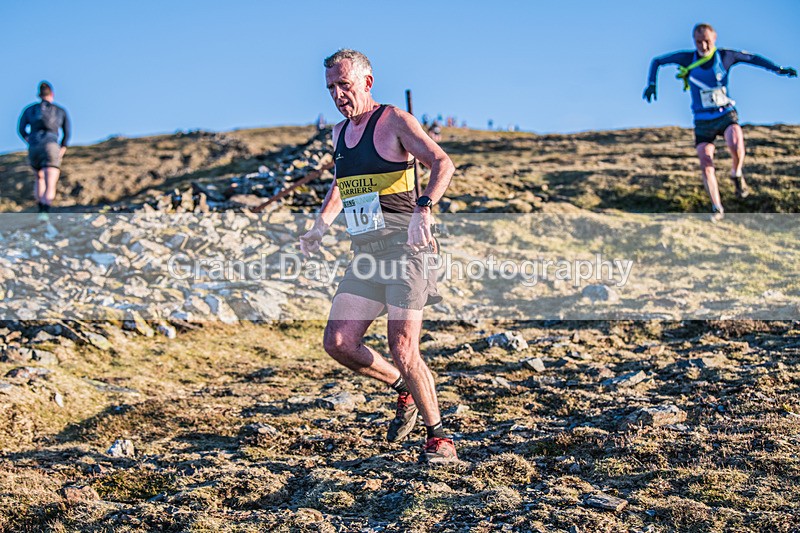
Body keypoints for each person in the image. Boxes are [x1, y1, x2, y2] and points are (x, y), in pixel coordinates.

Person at [299, 49, 457, 463]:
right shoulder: (337, 134)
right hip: (367, 253)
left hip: (406, 251)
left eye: (344, 86)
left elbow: (442, 163)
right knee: (338, 342)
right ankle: (401, 388)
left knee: (403, 347)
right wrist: (320, 226)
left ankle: (439, 438)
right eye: (331, 88)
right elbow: (340, 185)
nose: (337, 95)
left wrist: (423, 209)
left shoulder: (394, 122)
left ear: (367, 82)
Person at [643, 23, 796, 222]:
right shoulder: (688, 58)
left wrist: (779, 69)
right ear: (694, 41)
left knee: (735, 143)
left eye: (707, 41)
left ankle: (736, 173)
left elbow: (754, 59)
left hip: (725, 114)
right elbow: (657, 61)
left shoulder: (725, 56)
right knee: (706, 162)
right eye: (699, 42)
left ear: (714, 38)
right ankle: (717, 208)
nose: (703, 45)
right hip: (702, 120)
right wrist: (652, 83)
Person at [18, 81, 71, 218]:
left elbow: (21, 129)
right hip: (51, 145)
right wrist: (63, 147)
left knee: (39, 177)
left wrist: (29, 140)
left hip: (34, 146)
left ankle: (40, 207)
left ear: (39, 94)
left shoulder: (30, 110)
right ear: (51, 94)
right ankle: (45, 210)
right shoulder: (60, 110)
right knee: (50, 179)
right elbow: (67, 132)